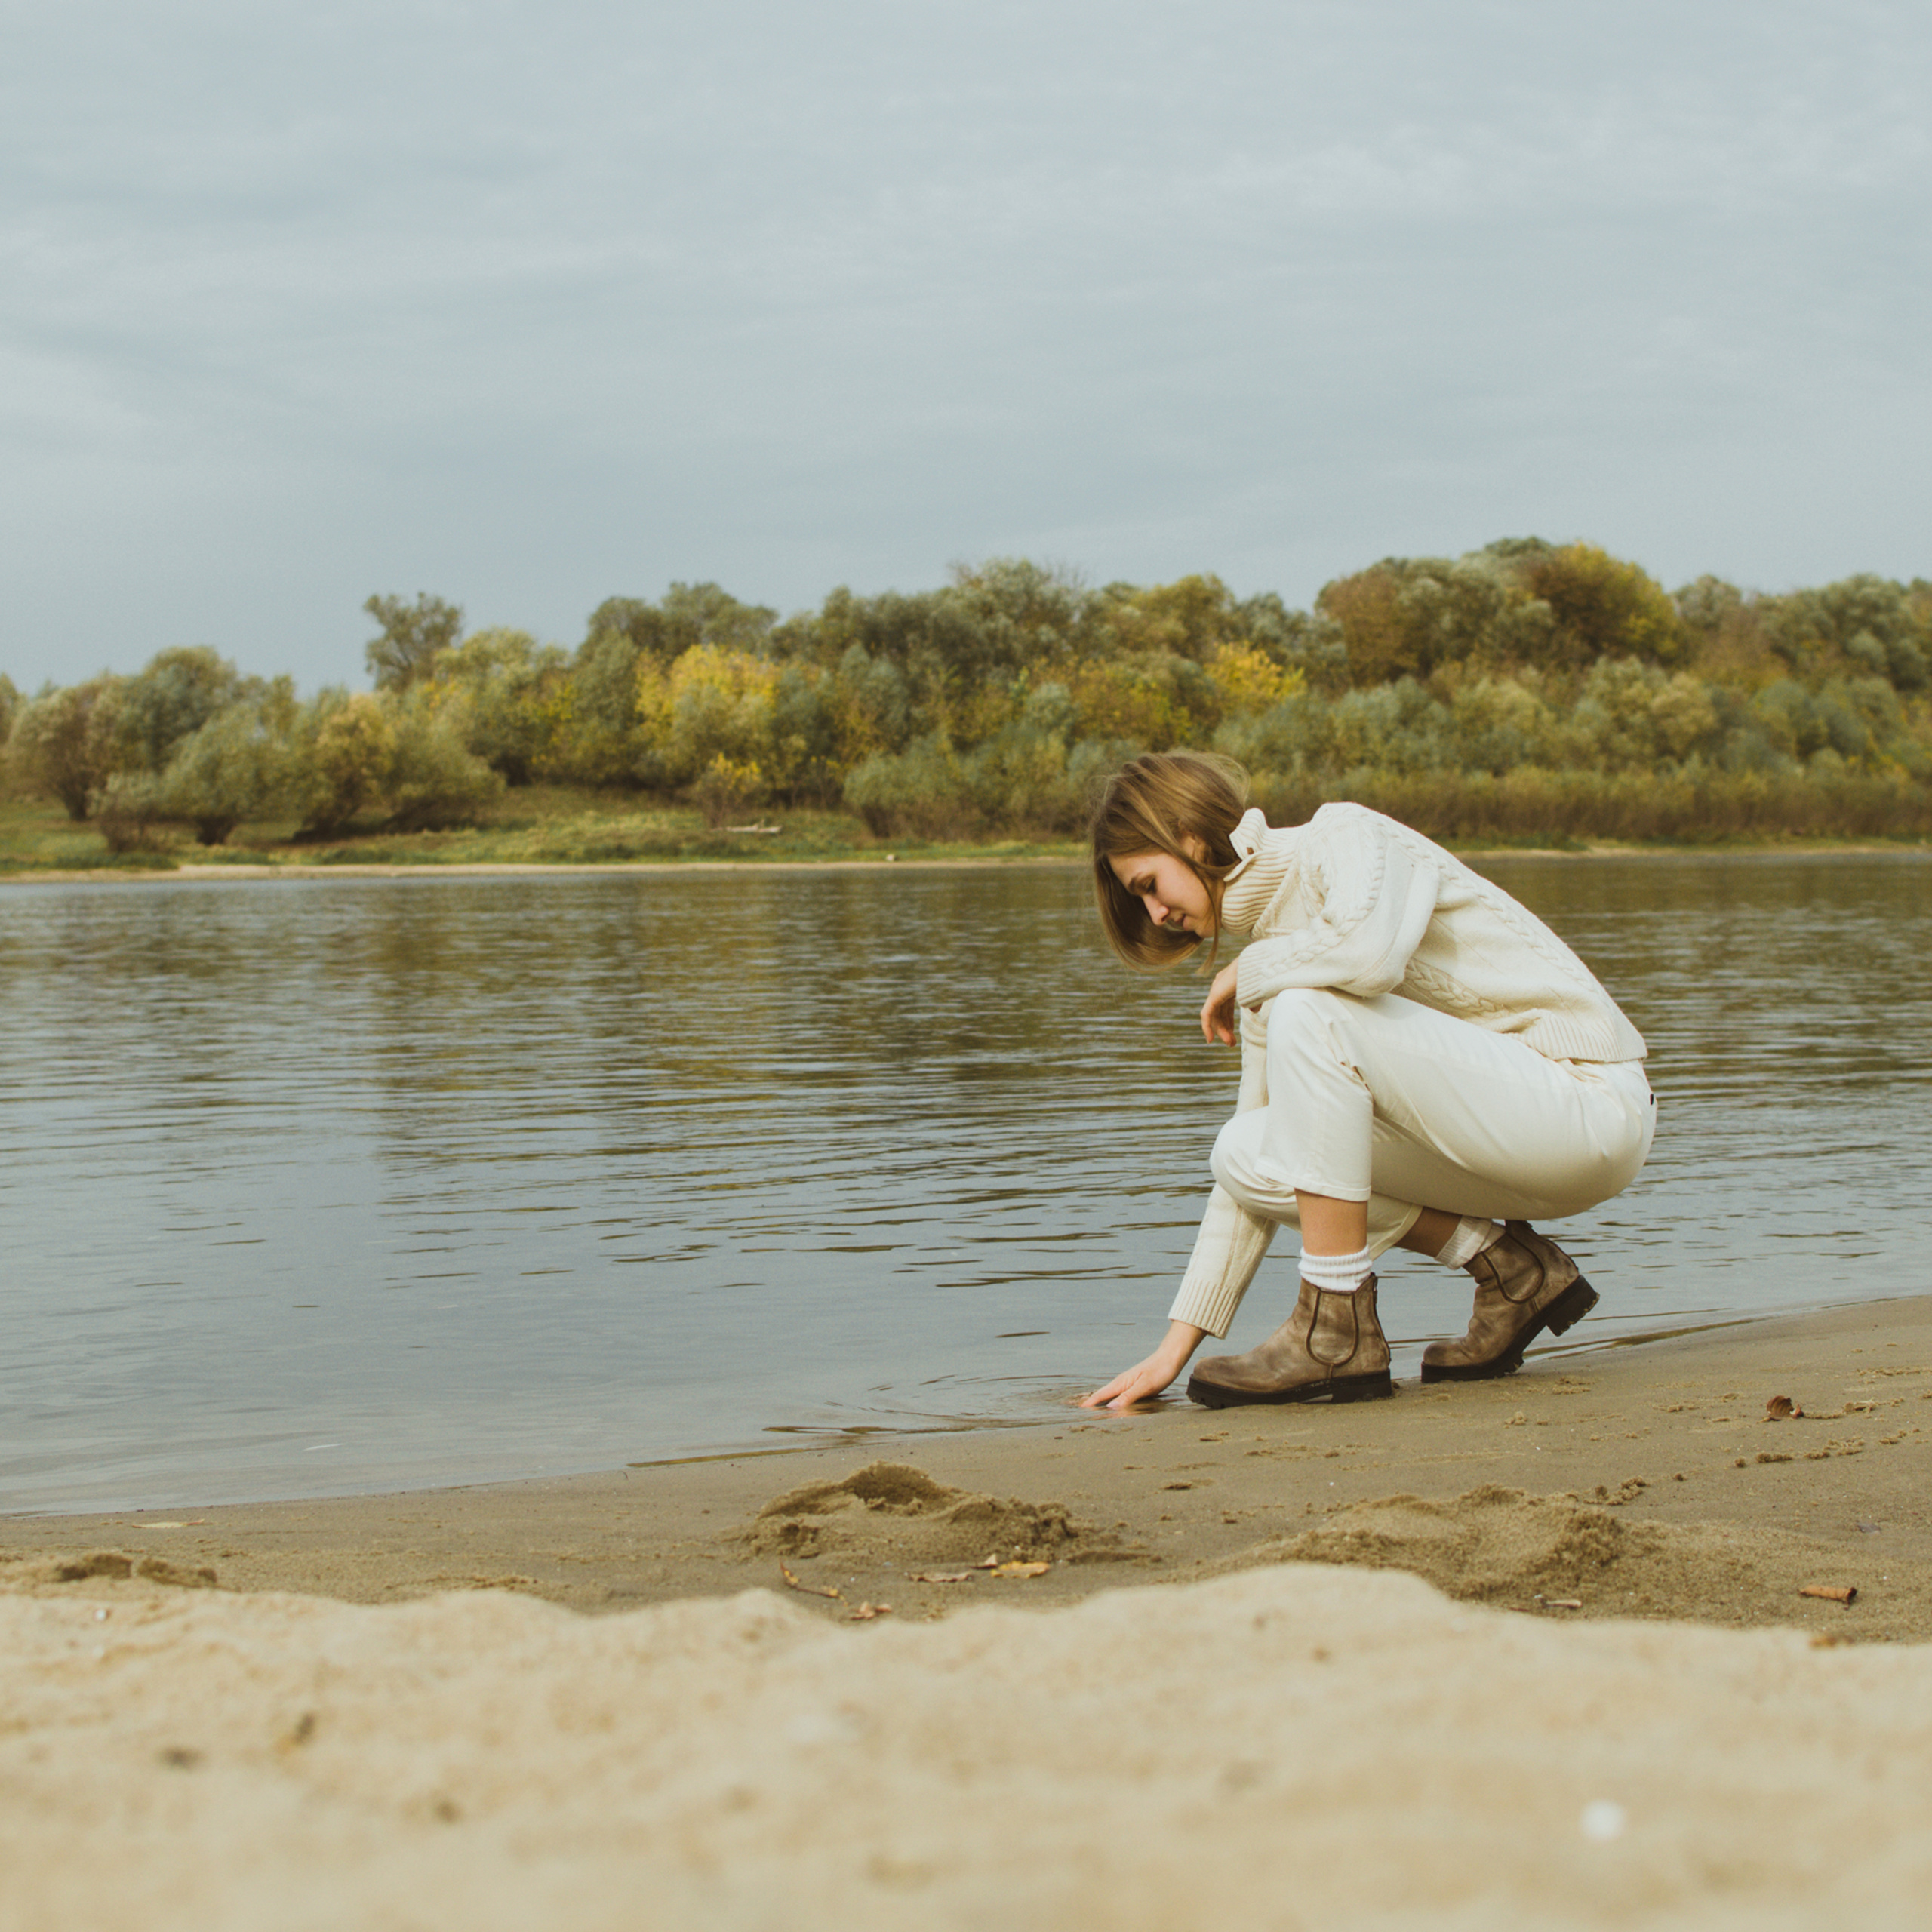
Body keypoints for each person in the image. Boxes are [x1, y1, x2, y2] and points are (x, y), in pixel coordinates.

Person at [1078, 752, 1654, 1411]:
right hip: (1499, 1145)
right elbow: (1255, 1182)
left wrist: (1256, 970)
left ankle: (1335, 1328)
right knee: (1242, 1153)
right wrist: (1174, 1349)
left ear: (1189, 836)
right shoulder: (1274, 963)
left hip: (1588, 1106)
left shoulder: (1344, 836)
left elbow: (1370, 955)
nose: (1154, 913)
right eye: (1140, 899)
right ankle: (1510, 1268)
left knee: (1306, 1008)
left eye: (1149, 885)